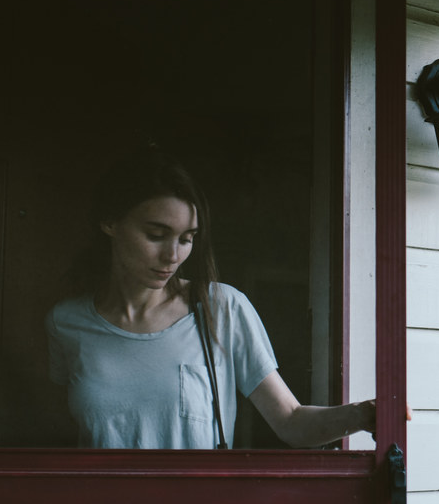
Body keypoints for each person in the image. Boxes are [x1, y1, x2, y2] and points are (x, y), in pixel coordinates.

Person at [46, 151, 375, 449]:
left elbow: (290, 420)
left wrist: (364, 415)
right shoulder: (66, 323)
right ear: (110, 223)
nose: (173, 256)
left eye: (187, 239)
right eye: (156, 235)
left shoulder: (222, 308)